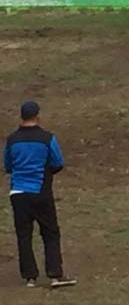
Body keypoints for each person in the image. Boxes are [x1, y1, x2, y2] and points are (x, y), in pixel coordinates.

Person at [3, 102, 77, 288]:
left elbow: (8, 166)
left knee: (24, 235)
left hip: (18, 193)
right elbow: (58, 162)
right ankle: (54, 275)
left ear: (21, 117)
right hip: (40, 191)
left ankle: (30, 277)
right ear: (37, 116)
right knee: (50, 232)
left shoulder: (12, 140)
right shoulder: (47, 138)